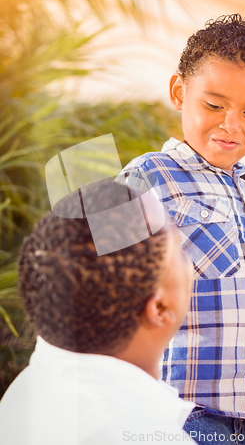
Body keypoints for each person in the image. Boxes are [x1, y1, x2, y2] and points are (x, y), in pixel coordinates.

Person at [120, 14, 245, 444]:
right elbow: (102, 284)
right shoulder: (147, 175)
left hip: (244, 416)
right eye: (214, 105)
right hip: (180, 411)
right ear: (180, 92)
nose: (231, 124)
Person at [0, 178, 195, 445]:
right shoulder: (147, 434)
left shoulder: (26, 391)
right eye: (182, 253)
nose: (191, 263)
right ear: (160, 308)